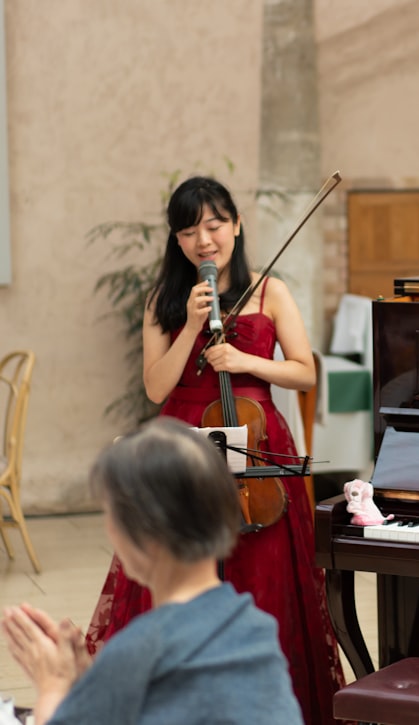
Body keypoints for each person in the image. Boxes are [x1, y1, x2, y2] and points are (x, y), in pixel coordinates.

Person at [84, 176, 345, 723]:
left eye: (214, 224)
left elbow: (303, 372)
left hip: (256, 445)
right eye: (188, 230)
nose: (204, 240)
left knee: (263, 571)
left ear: (236, 226)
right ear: (177, 242)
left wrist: (246, 363)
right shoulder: (165, 299)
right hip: (183, 445)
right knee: (177, 563)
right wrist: (193, 326)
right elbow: (156, 387)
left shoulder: (271, 292)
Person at [2, 418, 303, 725]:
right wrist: (90, 687)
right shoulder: (255, 627)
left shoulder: (141, 649)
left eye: (111, 515)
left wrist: (52, 687)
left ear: (145, 535)